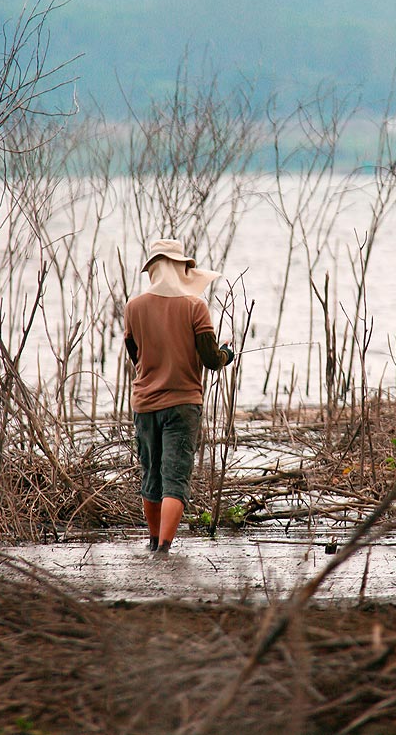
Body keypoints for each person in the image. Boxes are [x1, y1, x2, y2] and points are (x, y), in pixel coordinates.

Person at [124, 238, 233, 556]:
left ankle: (153, 541)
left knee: (151, 474)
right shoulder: (195, 307)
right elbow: (211, 360)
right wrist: (228, 353)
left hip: (145, 404)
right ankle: (164, 549)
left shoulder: (134, 307)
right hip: (183, 405)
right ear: (180, 269)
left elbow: (136, 356)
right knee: (175, 477)